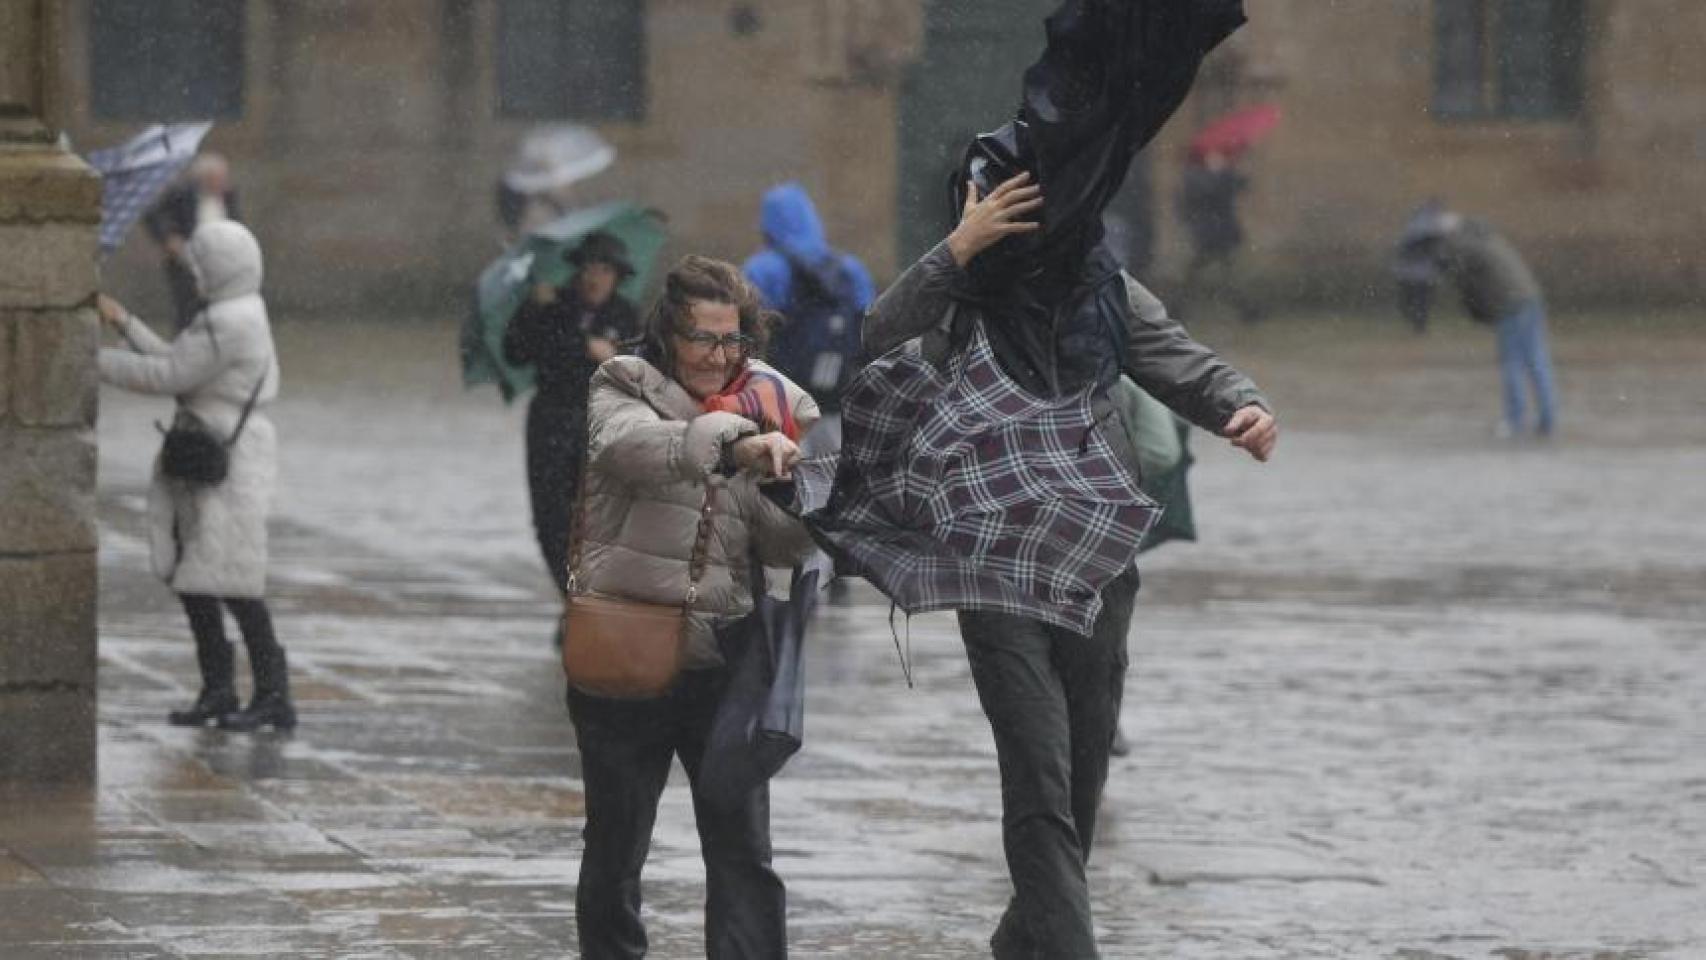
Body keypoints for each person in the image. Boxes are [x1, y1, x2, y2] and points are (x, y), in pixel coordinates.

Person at [813, 3, 1274, 955]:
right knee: (1036, 773)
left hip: (1099, 556)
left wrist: (1238, 404)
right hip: (994, 559)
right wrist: (959, 249)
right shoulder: (966, 298)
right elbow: (864, 342)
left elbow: (1175, 355)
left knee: (1081, 778)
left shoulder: (1102, 286)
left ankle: (1027, 937)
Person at [569, 256, 820, 959]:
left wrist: (798, 501)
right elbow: (635, 451)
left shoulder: (768, 403)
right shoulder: (622, 383)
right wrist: (740, 446)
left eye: (732, 340)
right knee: (616, 846)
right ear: (668, 332)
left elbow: (776, 546)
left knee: (743, 849)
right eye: (702, 339)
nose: (719, 357)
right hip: (624, 646)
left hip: (724, 655)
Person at [95, 221, 294, 733]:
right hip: (213, 449)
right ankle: (221, 690)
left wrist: (91, 360)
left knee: (233, 581)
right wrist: (126, 323)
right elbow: (180, 360)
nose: (194, 272)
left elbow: (169, 376)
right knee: (200, 577)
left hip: (224, 457)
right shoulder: (235, 313)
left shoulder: (229, 321)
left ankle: (271, 694)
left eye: (200, 264)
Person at [504, 232, 642, 599]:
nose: (595, 278)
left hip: (603, 424)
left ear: (617, 276)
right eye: (589, 268)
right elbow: (516, 351)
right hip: (551, 419)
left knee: (599, 517)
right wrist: (534, 309)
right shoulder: (551, 305)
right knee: (550, 518)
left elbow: (644, 375)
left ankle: (591, 597)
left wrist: (613, 357)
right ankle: (571, 595)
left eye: (605, 270)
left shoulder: (626, 316)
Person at [1394, 204, 1558, 438]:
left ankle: (1515, 421)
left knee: (1512, 364)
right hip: (1530, 298)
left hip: (1510, 305)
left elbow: (1461, 277)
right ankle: (1548, 421)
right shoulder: (1480, 232)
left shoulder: (1460, 243)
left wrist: (1433, 270)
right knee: (1537, 362)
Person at [741, 181, 876, 458]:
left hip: (781, 403)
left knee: (787, 479)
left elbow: (744, 326)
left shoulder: (762, 268)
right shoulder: (849, 269)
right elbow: (871, 321)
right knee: (835, 481)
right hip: (835, 398)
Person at [144, 152, 240, 332]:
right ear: (203, 178)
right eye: (216, 178)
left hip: (220, 262)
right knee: (188, 310)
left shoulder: (229, 196)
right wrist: (168, 238)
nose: (221, 183)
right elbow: (153, 215)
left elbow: (238, 222)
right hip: (186, 260)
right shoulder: (183, 195)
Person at [1176, 147, 1263, 324]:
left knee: (1227, 275)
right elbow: (1205, 194)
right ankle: (1177, 307)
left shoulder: (1222, 174)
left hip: (1223, 234)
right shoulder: (1194, 176)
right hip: (1207, 235)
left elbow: (1240, 185)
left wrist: (1244, 168)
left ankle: (1247, 310)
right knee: (1202, 276)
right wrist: (1219, 172)